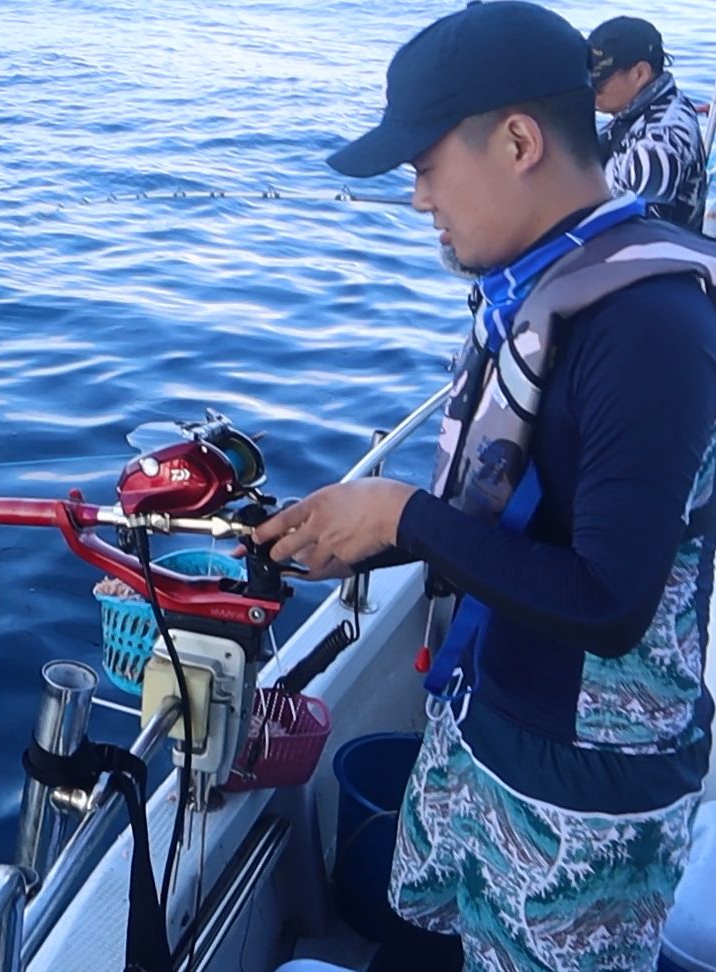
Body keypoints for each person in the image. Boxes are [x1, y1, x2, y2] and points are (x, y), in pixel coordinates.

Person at [254, 3, 716, 970]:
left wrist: (405, 517)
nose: (419, 199)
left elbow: (608, 603)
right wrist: (364, 532)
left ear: (515, 141)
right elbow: (516, 503)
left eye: (423, 166)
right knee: (413, 945)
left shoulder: (650, 331)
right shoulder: (541, 280)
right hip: (478, 719)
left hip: (582, 793)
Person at [589, 16, 709, 232]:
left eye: (600, 83)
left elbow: (643, 236)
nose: (591, 91)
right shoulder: (655, 105)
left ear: (640, 73)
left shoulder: (656, 143)